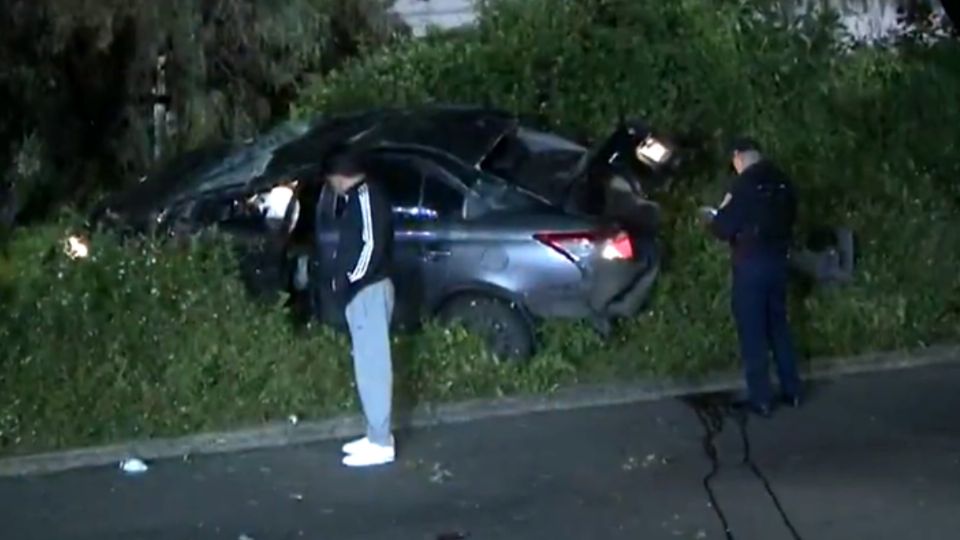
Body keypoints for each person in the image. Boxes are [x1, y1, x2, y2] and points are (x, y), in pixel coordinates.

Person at [701, 138, 802, 417]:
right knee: (779, 326)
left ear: (738, 157)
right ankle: (792, 391)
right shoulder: (782, 181)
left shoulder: (743, 186)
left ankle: (761, 399)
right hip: (779, 260)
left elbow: (723, 228)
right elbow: (793, 216)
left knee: (753, 330)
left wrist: (720, 212)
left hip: (751, 264)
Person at [324, 150, 397, 467]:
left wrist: (350, 279)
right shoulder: (359, 198)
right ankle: (375, 434)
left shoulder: (366, 197)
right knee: (367, 366)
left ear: (340, 176)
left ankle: (381, 442)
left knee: (373, 368)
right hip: (363, 292)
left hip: (368, 290)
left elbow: (370, 244)